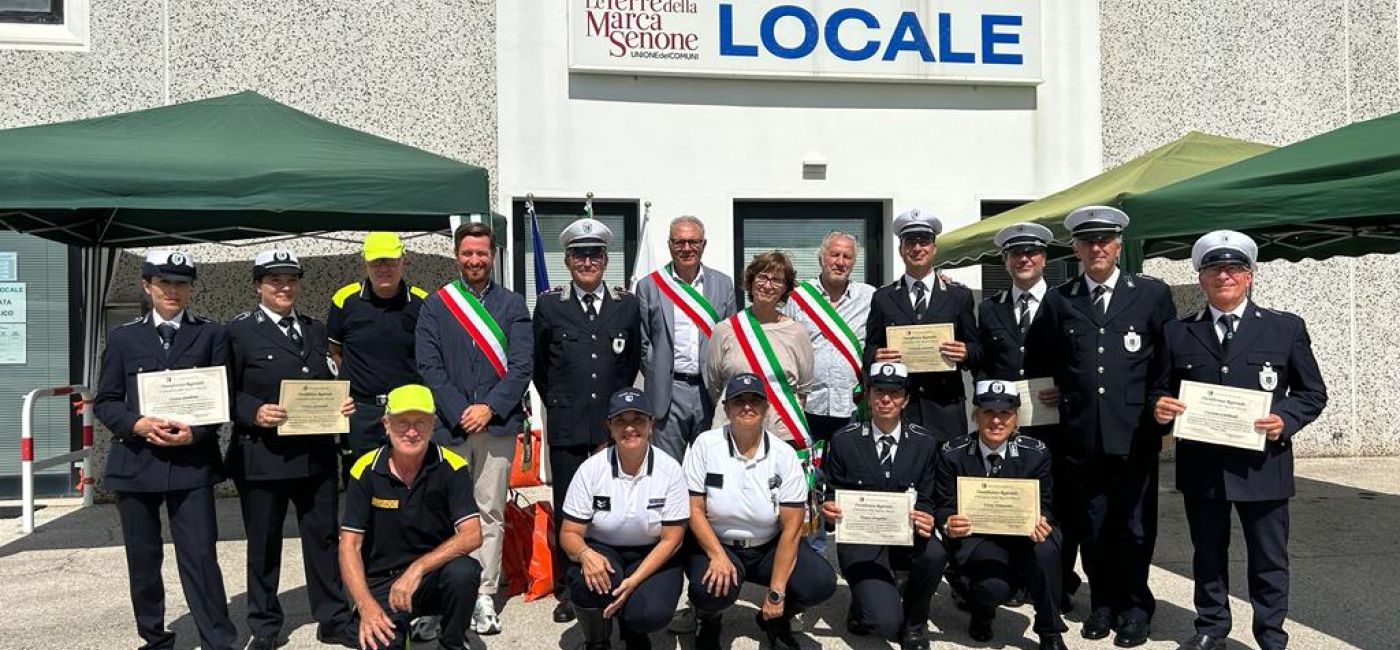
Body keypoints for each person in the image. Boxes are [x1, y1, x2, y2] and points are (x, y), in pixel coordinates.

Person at [1150, 231, 1327, 650]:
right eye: (1213, 269)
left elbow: (1312, 392)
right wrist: (1159, 409)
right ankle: (1211, 627)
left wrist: (1285, 419)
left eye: (1233, 269)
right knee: (1207, 554)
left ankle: (1270, 634)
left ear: (1249, 276)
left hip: (1263, 465)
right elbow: (1158, 390)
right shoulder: (1177, 333)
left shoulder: (1285, 328)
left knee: (1268, 558)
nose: (1223, 275)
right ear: (1201, 278)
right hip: (1204, 467)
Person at [1023, 206, 1176, 648]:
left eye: (1105, 241)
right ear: (1075, 248)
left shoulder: (1150, 294)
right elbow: (1041, 358)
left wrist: (1158, 409)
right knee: (1091, 525)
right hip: (1081, 435)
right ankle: (1102, 604)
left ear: (1118, 245)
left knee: (1134, 526)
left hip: (1135, 434)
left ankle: (1134, 607)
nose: (1097, 248)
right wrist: (1055, 392)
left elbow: (1165, 364)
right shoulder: (1061, 299)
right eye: (1088, 242)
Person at [93, 250, 238, 650]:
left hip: (191, 464)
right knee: (143, 560)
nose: (172, 291)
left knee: (200, 558)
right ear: (147, 286)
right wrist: (136, 423)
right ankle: (155, 637)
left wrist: (197, 434)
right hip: (136, 463)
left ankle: (218, 640)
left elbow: (221, 400)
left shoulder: (211, 334)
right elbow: (106, 401)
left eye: (181, 284)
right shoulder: (124, 338)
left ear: (190, 288)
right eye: (164, 283)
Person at [226, 249, 357, 650]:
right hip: (263, 457)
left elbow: (327, 379)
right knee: (264, 543)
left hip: (314, 457)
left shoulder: (315, 330)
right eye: (275, 281)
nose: (285, 287)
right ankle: (264, 625)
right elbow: (221, 391)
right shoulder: (237, 332)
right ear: (258, 286)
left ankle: (332, 618)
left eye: (291, 279)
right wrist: (252, 411)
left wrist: (342, 404)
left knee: (323, 539)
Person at [415, 221, 533, 635]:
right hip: (450, 427)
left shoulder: (514, 305)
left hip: (496, 427)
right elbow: (429, 365)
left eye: (481, 253)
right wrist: (461, 409)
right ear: (456, 255)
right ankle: (438, 596)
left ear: (494, 255)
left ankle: (483, 594)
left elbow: (521, 366)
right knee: (441, 514)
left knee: (489, 511)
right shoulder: (436, 305)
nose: (474, 260)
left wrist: (489, 408)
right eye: (467, 253)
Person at [533, 217, 644, 623]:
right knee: (569, 509)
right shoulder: (549, 306)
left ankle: (614, 575)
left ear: (605, 259)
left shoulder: (625, 305)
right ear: (567, 260)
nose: (587, 262)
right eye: (579, 254)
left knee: (611, 506)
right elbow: (540, 368)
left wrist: (610, 422)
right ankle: (570, 588)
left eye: (594, 254)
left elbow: (629, 362)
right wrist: (563, 407)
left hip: (614, 430)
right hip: (567, 427)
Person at [681, 374, 837, 650]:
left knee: (820, 582)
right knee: (708, 590)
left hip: (768, 546)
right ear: (726, 408)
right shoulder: (706, 444)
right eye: (738, 401)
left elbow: (792, 527)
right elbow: (694, 509)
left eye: (755, 401)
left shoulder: (784, 454)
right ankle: (709, 619)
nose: (747, 407)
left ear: (766, 409)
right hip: (718, 543)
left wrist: (777, 591)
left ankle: (775, 618)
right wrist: (716, 555)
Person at [977, 221, 1081, 605]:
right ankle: (1018, 577)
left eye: (1032, 253)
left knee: (1058, 503)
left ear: (1044, 259)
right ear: (1005, 261)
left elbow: (1081, 361)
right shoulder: (990, 308)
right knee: (1012, 498)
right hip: (1007, 424)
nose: (1024, 259)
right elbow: (985, 364)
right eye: (1016, 253)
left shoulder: (1066, 302)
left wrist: (1067, 390)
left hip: (1054, 424)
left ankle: (1059, 581)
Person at [339, 384, 484, 650]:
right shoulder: (364, 470)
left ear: (434, 424)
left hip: (431, 576)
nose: (412, 431)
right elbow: (349, 545)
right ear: (386, 423)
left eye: (421, 422)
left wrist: (417, 569)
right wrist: (366, 605)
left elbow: (473, 534)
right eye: (402, 422)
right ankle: (398, 629)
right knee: (380, 643)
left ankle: (452, 642)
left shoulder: (453, 467)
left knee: (464, 572)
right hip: (382, 580)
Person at [820, 362, 949, 650]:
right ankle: (864, 600)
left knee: (936, 554)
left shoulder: (924, 442)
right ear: (868, 395)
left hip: (906, 535)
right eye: (879, 391)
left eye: (894, 393)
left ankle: (916, 624)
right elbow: (832, 491)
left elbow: (928, 495)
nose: (886, 399)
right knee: (885, 624)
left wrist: (926, 515)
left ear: (906, 399)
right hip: (861, 540)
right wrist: (829, 509)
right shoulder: (844, 441)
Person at [934, 380, 1070, 650]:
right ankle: (981, 610)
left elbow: (1045, 503)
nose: (996, 420)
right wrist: (949, 522)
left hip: (1023, 537)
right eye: (988, 413)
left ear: (1016, 417)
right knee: (991, 589)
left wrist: (1043, 520)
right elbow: (944, 504)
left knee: (1048, 548)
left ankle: (1050, 630)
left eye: (1005, 414)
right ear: (976, 414)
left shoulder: (1036, 454)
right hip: (978, 541)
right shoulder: (953, 454)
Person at [560, 387, 689, 650]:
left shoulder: (671, 470)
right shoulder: (591, 469)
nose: (630, 428)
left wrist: (634, 582)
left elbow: (672, 540)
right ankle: (597, 640)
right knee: (587, 582)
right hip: (604, 549)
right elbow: (569, 533)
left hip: (653, 551)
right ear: (609, 426)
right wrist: (585, 554)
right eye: (621, 421)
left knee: (650, 612)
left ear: (651, 424)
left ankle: (634, 632)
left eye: (638, 420)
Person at [864, 208, 981, 442]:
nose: (917, 248)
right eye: (910, 242)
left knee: (945, 474)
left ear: (934, 248)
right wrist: (877, 354)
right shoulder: (884, 297)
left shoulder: (959, 296)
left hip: (945, 406)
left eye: (924, 242)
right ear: (900, 249)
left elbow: (978, 349)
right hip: (900, 408)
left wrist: (966, 352)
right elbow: (868, 350)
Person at [327, 232, 430, 486]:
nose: (383, 268)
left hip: (407, 411)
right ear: (365, 263)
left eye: (390, 261)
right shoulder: (344, 300)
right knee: (360, 481)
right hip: (360, 412)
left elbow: (431, 357)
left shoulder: (423, 302)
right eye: (376, 262)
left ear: (403, 260)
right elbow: (335, 351)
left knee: (409, 480)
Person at [634, 215, 737, 462]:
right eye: (679, 242)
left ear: (704, 245)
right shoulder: (650, 286)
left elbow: (730, 339)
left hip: (709, 390)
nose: (687, 248)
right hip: (668, 392)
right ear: (669, 245)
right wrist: (657, 373)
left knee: (712, 466)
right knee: (665, 467)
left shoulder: (723, 284)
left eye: (693, 242)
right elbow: (642, 341)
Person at [705, 250, 816, 447]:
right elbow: (715, 385)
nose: (768, 285)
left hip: (782, 432)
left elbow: (804, 388)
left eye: (777, 280)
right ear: (751, 281)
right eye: (762, 277)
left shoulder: (797, 332)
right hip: (733, 429)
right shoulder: (725, 330)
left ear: (785, 288)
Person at [783, 230, 875, 442]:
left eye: (847, 257)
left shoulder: (870, 297)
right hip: (807, 404)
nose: (840, 262)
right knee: (808, 471)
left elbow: (900, 299)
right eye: (835, 255)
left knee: (848, 471)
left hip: (851, 405)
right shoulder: (798, 298)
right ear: (822, 258)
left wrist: (943, 280)